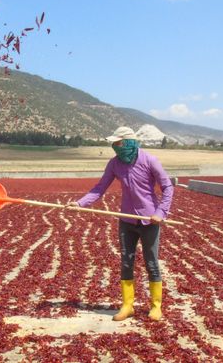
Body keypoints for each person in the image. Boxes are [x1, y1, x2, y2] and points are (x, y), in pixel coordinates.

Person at [67, 126, 173, 321]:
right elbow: (100, 188)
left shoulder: (149, 160)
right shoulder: (114, 164)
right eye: (113, 143)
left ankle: (156, 306)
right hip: (126, 220)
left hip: (149, 221)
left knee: (151, 263)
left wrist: (161, 212)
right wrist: (80, 203)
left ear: (128, 143)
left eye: (118, 143)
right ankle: (127, 306)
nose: (114, 146)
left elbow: (167, 187)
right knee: (126, 262)